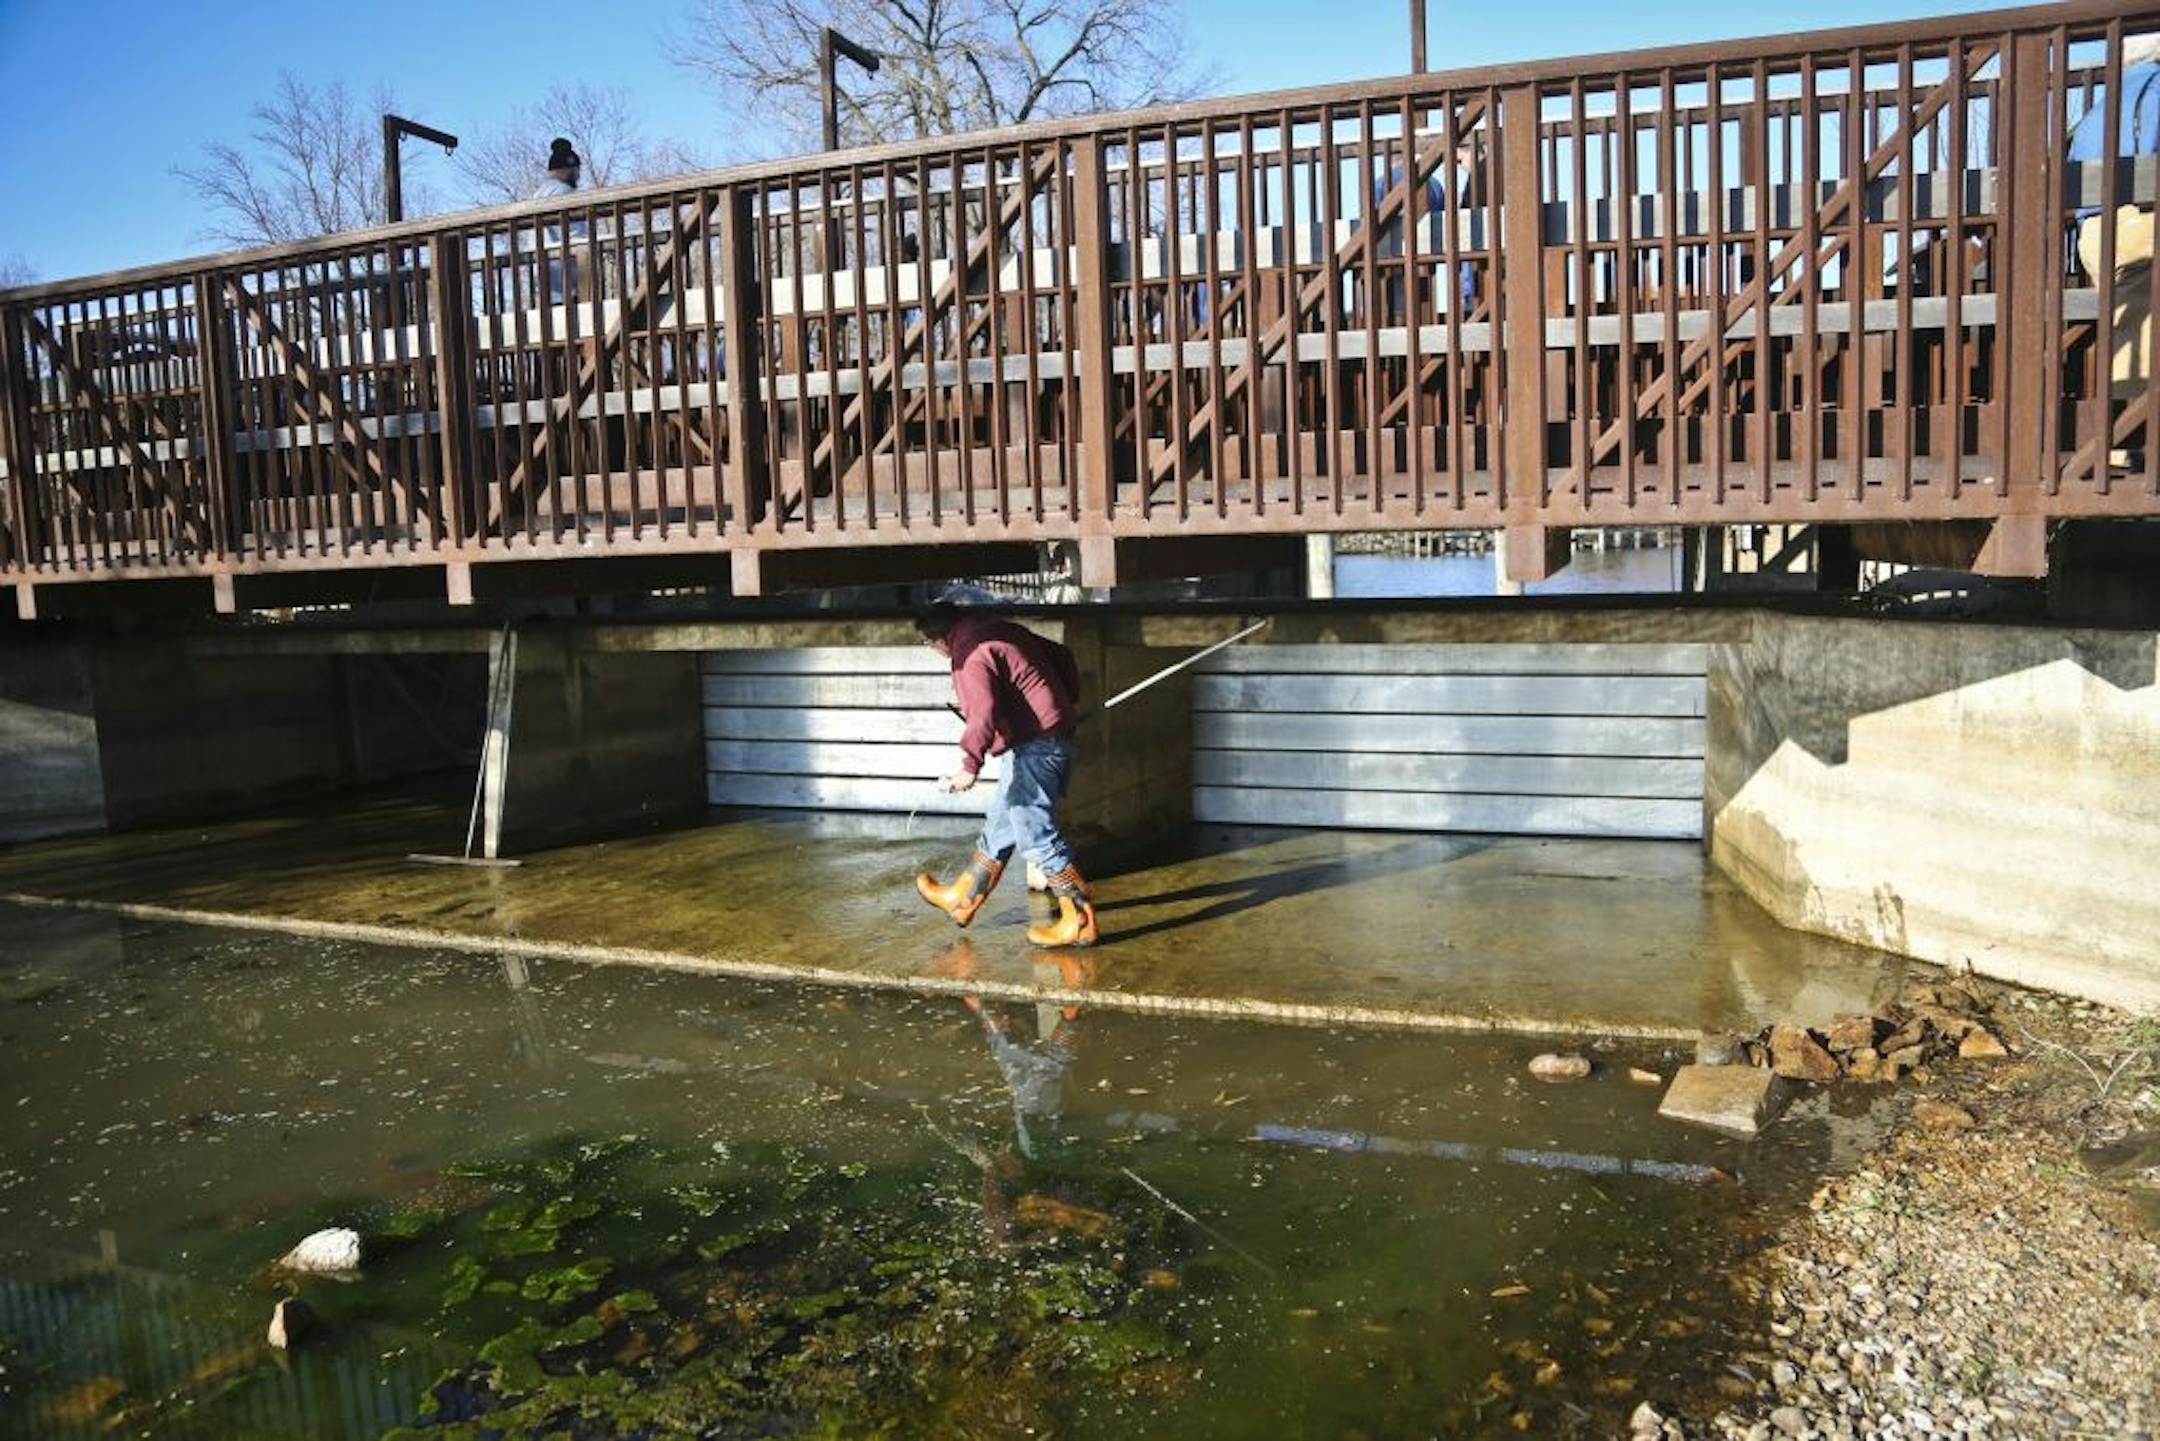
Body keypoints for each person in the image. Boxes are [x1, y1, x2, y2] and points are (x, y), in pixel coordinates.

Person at [913, 603, 1096, 947]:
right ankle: (963, 898)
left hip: (1038, 744)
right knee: (1001, 823)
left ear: (938, 639)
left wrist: (969, 766)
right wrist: (1068, 701)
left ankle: (1080, 920)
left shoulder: (969, 654)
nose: (931, 649)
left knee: (1035, 833)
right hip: (1035, 738)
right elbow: (1062, 654)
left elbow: (981, 714)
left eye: (927, 643)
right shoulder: (998, 629)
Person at [2067, 34, 2160, 461]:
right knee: (2139, 322)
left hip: (2095, 230)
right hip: (2138, 219)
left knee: (2131, 323)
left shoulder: (2103, 106)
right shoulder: (2154, 89)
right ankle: (2130, 441)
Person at [530, 136, 583, 200]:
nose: (578, 176)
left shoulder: (538, 193)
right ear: (567, 170)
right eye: (576, 170)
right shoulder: (566, 191)